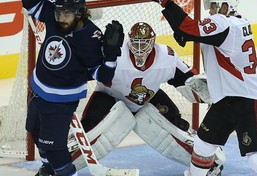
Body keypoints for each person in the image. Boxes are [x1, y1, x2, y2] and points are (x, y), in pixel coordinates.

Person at [148, 0, 257, 176]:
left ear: (226, 7)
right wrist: (188, 33)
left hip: (249, 100)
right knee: (203, 145)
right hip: (226, 100)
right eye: (211, 5)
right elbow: (199, 34)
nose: (211, 10)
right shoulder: (236, 23)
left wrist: (167, 2)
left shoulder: (225, 22)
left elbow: (190, 28)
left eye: (215, 6)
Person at [69, 22, 224, 176]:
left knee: (179, 130)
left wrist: (207, 90)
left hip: (149, 98)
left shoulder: (166, 56)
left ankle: (206, 163)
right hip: (110, 96)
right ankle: (61, 165)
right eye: (135, 43)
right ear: (129, 41)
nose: (139, 49)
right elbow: (85, 71)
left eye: (144, 44)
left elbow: (188, 79)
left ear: (153, 42)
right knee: (88, 135)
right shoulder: (115, 53)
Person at [22, 0, 124, 176]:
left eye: (66, 15)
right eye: (59, 14)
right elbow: (30, 3)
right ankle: (47, 170)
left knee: (56, 149)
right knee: (35, 131)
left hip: (61, 101)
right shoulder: (54, 16)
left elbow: (104, 77)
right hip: (39, 90)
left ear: (80, 14)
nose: (61, 19)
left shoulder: (91, 39)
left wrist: (111, 54)